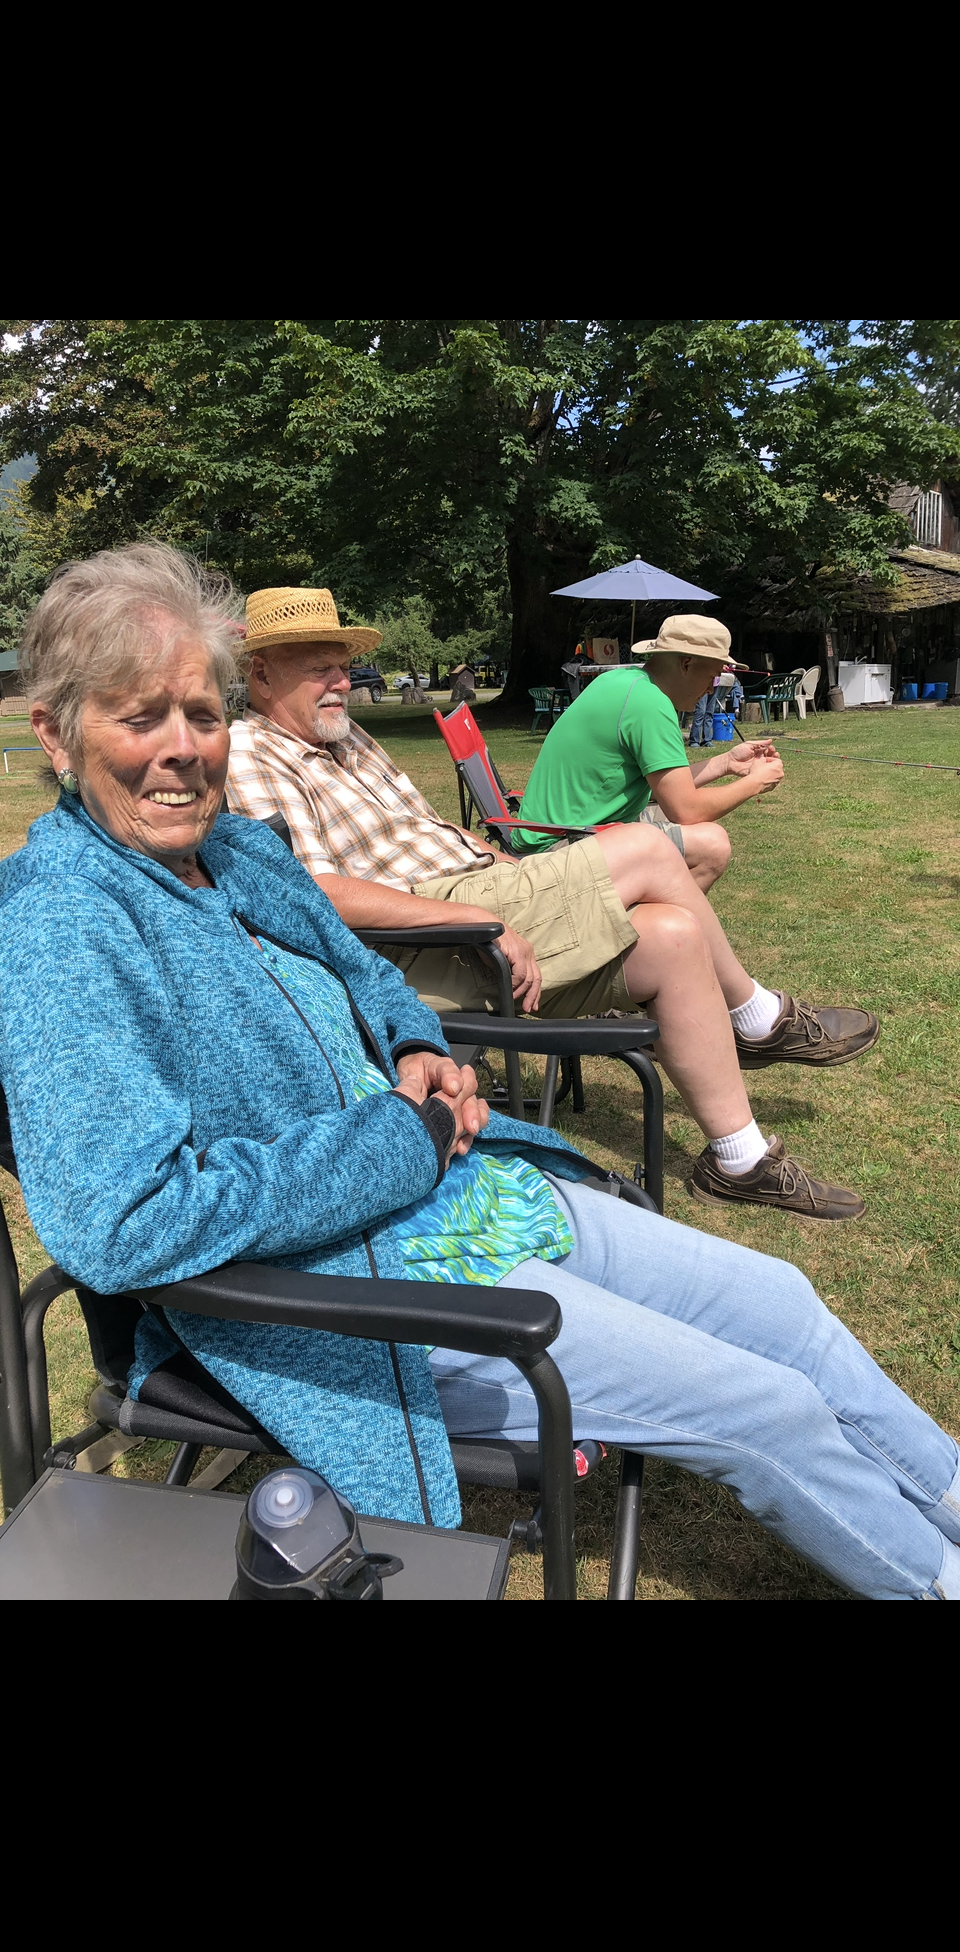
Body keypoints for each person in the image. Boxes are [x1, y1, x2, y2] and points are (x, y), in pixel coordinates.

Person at [3, 541, 959, 1600]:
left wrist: (418, 1044)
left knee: (782, 1303)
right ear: (56, 731)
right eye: (142, 717)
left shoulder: (231, 850)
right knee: (763, 1405)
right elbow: (119, 1222)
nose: (184, 750)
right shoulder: (64, 926)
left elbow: (364, 971)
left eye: (203, 713)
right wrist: (398, 1141)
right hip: (343, 1289)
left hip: (472, 1195)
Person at [227, 587, 877, 1219]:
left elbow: (436, 831)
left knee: (675, 934)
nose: (340, 682)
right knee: (653, 848)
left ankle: (738, 1162)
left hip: (477, 893)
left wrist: (505, 869)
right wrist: (480, 919)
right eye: (320, 670)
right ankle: (759, 1019)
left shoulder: (350, 739)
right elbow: (312, 895)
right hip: (426, 941)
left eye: (343, 666)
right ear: (261, 672)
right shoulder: (249, 750)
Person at [516, 613, 783, 895]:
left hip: (550, 834)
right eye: (713, 677)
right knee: (712, 845)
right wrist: (756, 783)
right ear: (686, 664)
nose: (710, 689)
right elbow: (685, 810)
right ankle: (662, 930)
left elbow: (666, 789)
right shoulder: (650, 704)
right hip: (554, 850)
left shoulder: (624, 681)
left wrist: (726, 762)